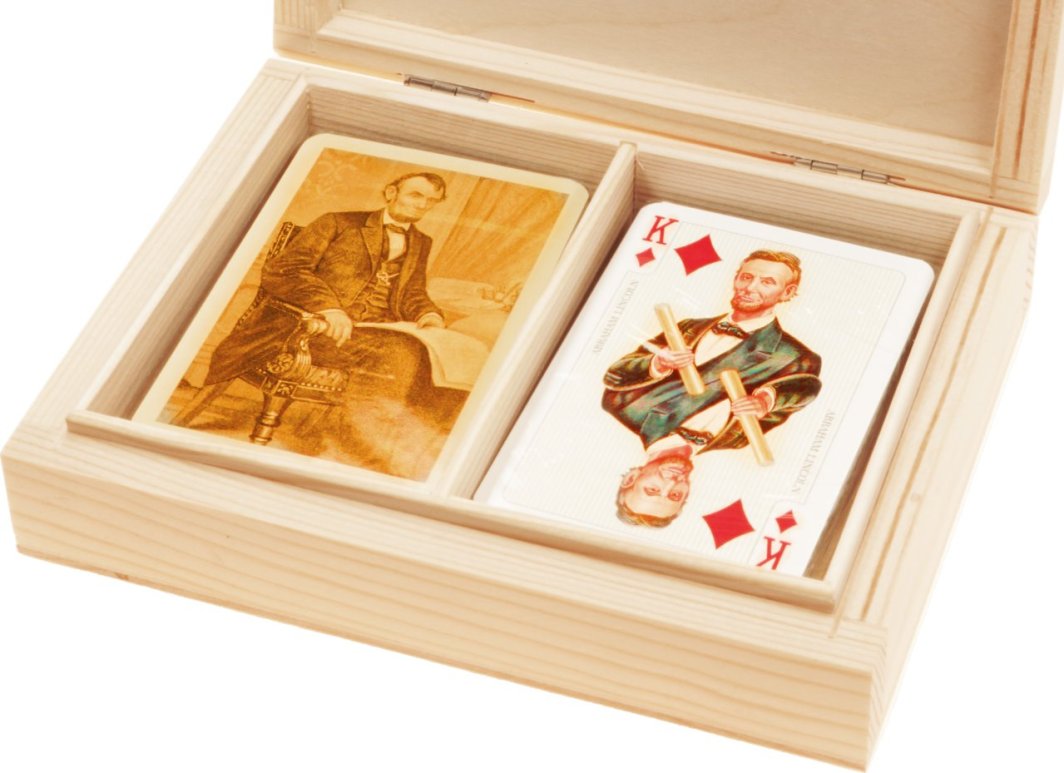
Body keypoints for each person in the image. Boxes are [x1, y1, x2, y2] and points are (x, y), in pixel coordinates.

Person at [202, 172, 451, 472]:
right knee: (399, 357)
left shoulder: (421, 242)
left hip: (372, 331)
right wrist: (329, 308)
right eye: (416, 195)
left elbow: (412, 292)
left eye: (431, 201)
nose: (422, 205)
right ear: (391, 192)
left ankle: (381, 451)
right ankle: (356, 450)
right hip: (307, 328)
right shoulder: (337, 222)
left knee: (427, 361)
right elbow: (284, 271)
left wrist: (428, 315)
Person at [603, 250, 822, 527]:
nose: (671, 483)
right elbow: (805, 390)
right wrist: (767, 400)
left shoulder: (627, 409)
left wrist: (657, 363)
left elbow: (616, 374)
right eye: (675, 495)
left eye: (653, 489)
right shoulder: (738, 440)